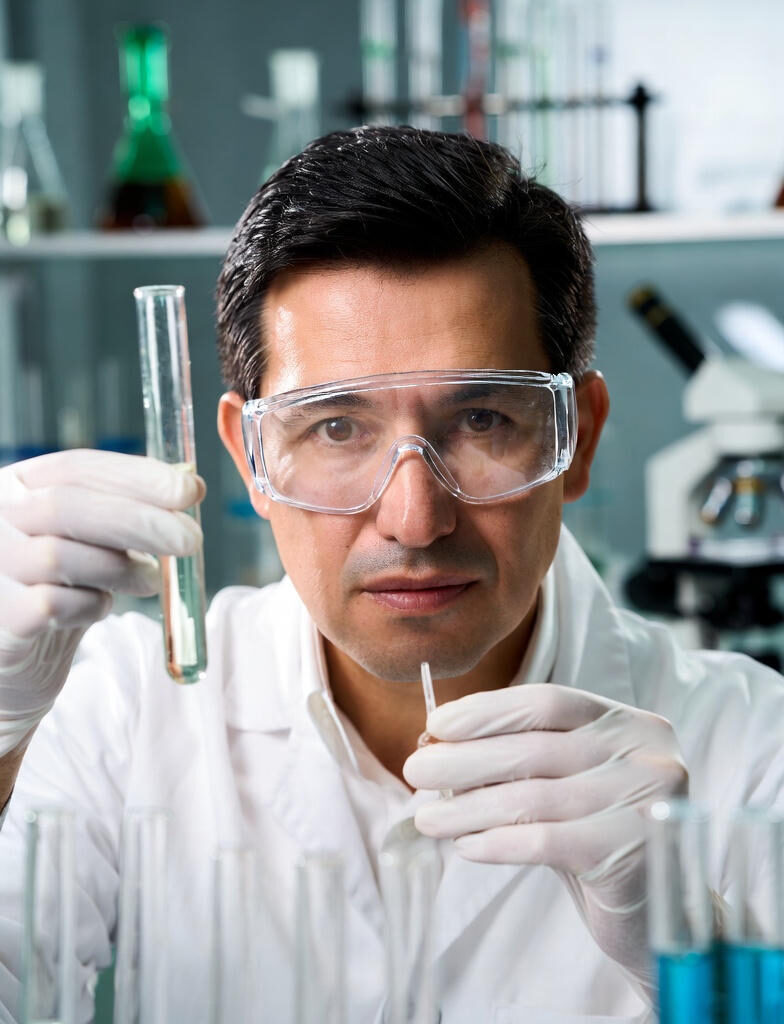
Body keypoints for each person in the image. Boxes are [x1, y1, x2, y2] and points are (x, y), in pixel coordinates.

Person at [0, 126, 782, 1024]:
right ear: (249, 459)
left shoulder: (753, 749)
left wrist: (710, 967)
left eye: (482, 419)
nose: (414, 518)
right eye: (336, 428)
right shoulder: (121, 713)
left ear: (579, 439)